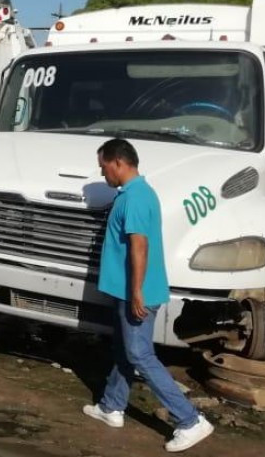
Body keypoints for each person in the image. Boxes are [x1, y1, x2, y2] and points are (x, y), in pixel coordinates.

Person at [83, 139, 213, 452]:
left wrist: (137, 292)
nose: (103, 175)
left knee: (140, 354)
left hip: (136, 292)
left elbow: (140, 247)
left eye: (103, 167)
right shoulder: (131, 193)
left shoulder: (137, 198)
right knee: (124, 349)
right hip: (127, 290)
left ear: (117, 163)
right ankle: (112, 406)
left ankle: (190, 420)